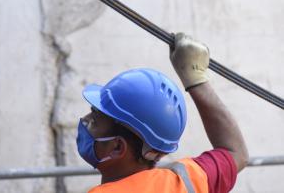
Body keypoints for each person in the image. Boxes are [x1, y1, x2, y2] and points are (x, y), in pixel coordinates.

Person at [76, 33, 248, 193]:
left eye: (94, 121)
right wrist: (195, 77)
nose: (84, 120)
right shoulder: (184, 181)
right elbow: (236, 153)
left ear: (118, 147)